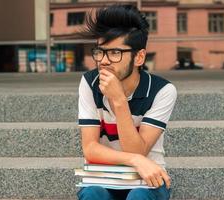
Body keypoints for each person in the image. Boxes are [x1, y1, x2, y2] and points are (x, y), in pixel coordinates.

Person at [77, 4, 177, 200]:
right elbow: (90, 148)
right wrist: (133, 160)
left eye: (115, 53)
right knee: (92, 194)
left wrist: (119, 100)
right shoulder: (89, 82)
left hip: (146, 181)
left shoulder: (162, 91)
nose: (104, 61)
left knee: (138, 197)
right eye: (100, 52)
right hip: (103, 177)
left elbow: (138, 150)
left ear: (139, 57)